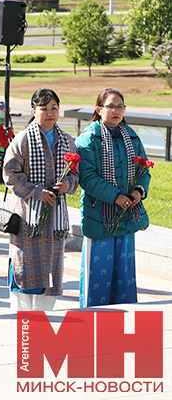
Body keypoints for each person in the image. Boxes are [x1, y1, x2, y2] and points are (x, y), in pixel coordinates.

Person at [3, 89, 79, 312]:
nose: (50, 113)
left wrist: (68, 185)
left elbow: (76, 173)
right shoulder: (23, 139)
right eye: (44, 109)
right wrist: (36, 192)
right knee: (24, 267)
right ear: (33, 111)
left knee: (51, 270)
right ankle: (23, 324)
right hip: (28, 218)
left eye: (54, 108)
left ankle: (44, 320)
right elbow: (10, 175)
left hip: (55, 218)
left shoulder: (67, 140)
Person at [76, 88, 150, 308]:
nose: (116, 111)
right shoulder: (88, 138)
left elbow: (144, 169)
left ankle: (123, 328)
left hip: (126, 217)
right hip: (99, 216)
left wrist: (138, 191)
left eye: (120, 106)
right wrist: (116, 197)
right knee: (97, 279)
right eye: (111, 106)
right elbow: (87, 178)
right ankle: (93, 327)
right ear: (99, 109)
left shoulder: (131, 137)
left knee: (124, 279)